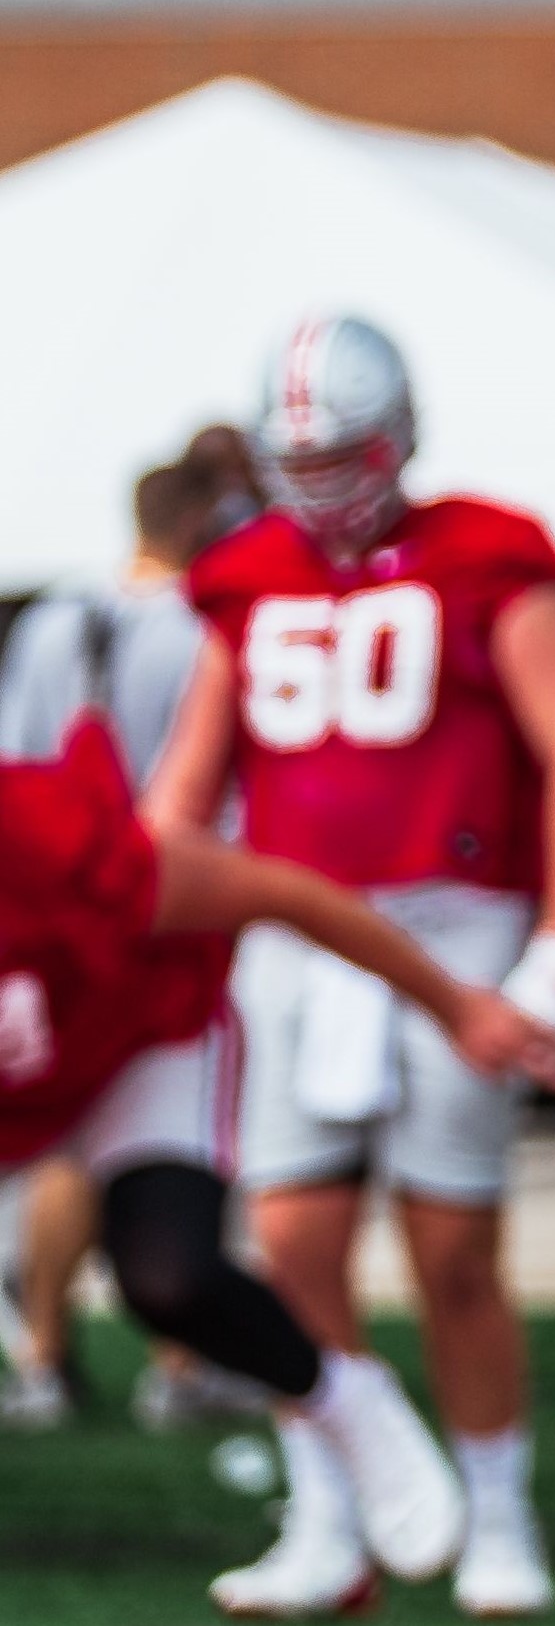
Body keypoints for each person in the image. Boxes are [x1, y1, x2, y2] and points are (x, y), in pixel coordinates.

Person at [148, 316, 555, 1618]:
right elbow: (191, 780)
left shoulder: (489, 558)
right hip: (295, 933)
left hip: (457, 923)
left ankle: (499, 1503)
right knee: (289, 1245)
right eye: (296, 455)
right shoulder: (242, 576)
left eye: (341, 451)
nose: (320, 480)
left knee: (453, 1245)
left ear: (399, 435)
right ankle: (332, 1509)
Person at [0, 715, 555, 1610]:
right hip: (23, 1082)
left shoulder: (55, 850)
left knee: (170, 1278)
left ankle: (343, 1395)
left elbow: (284, 895)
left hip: (140, 1040)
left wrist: (454, 1006)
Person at [0, 450, 247, 1429]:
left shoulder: (54, 617)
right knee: (171, 1137)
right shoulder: (205, 626)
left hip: (58, 901)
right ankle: (183, 1359)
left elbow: (17, 764)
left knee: (71, 1131)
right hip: (167, 903)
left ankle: (46, 1356)